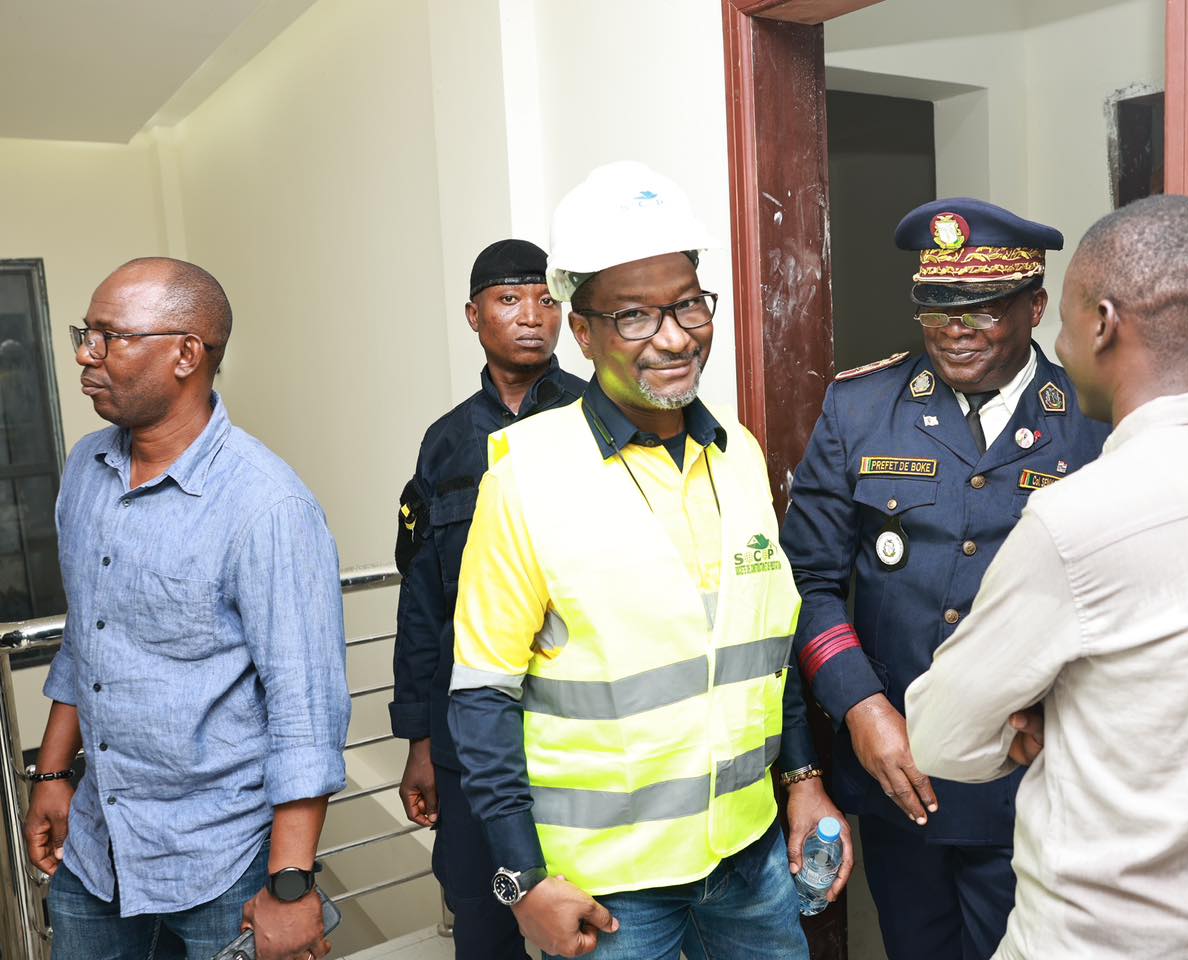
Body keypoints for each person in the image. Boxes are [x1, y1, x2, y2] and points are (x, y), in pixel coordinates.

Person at [906, 195, 1188, 958]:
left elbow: (942, 735)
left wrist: (1039, 724)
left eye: (1066, 316)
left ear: (1103, 322)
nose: (1057, 337)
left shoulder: (1076, 520)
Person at [448, 161, 851, 960]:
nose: (674, 337)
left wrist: (803, 784)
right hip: (607, 890)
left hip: (750, 859)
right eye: (634, 316)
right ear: (583, 331)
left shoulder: (736, 453)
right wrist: (523, 880)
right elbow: (481, 697)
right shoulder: (524, 472)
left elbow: (763, 651)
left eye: (688, 305)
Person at [781, 197, 1111, 959]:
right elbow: (808, 583)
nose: (954, 330)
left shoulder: (1091, 421)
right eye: (936, 306)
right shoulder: (860, 408)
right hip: (901, 767)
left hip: (1032, 775)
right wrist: (861, 709)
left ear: (1033, 306)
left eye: (981, 308)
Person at [23, 257, 349, 960]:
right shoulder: (86, 468)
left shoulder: (268, 507)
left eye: (111, 336)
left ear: (185, 354)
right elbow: (89, 638)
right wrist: (53, 774)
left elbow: (305, 709)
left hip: (221, 862)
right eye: (88, 332)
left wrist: (291, 888)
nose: (86, 353)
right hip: (97, 847)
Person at [389, 238, 584, 958]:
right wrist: (419, 740)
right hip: (470, 729)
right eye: (509, 299)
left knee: (590, 916)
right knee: (482, 912)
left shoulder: (600, 422)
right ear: (474, 315)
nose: (531, 315)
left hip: (574, 728)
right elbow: (422, 604)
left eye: (545, 298)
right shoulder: (444, 446)